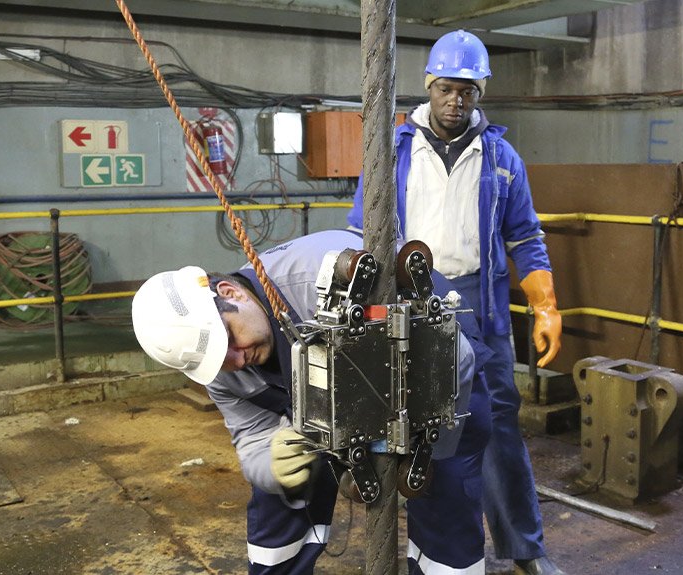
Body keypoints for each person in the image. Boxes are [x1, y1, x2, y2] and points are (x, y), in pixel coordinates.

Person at [130, 229, 492, 574]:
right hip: (327, 401)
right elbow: (251, 438)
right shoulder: (222, 369)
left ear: (231, 293)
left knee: (444, 492)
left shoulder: (330, 283)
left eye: (230, 341)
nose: (237, 361)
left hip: (435, 362)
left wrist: (423, 451)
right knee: (283, 490)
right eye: (221, 360)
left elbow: (453, 358)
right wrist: (271, 464)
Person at [347, 29, 565, 575]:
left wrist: (546, 306)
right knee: (409, 425)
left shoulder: (501, 157)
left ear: (481, 91)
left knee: (498, 429)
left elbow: (525, 238)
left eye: (468, 90)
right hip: (408, 304)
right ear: (429, 85)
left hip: (479, 308)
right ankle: (433, 547)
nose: (456, 100)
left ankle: (524, 548)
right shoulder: (391, 150)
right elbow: (359, 233)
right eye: (447, 87)